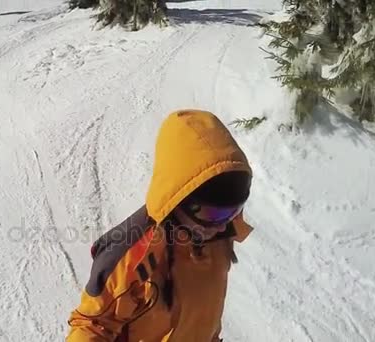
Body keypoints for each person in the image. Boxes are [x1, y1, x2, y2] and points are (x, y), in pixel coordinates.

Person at [66, 109, 254, 342]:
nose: (222, 225)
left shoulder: (218, 237)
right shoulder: (129, 253)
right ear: (179, 198)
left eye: (233, 211)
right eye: (213, 213)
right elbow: (91, 326)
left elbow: (205, 315)